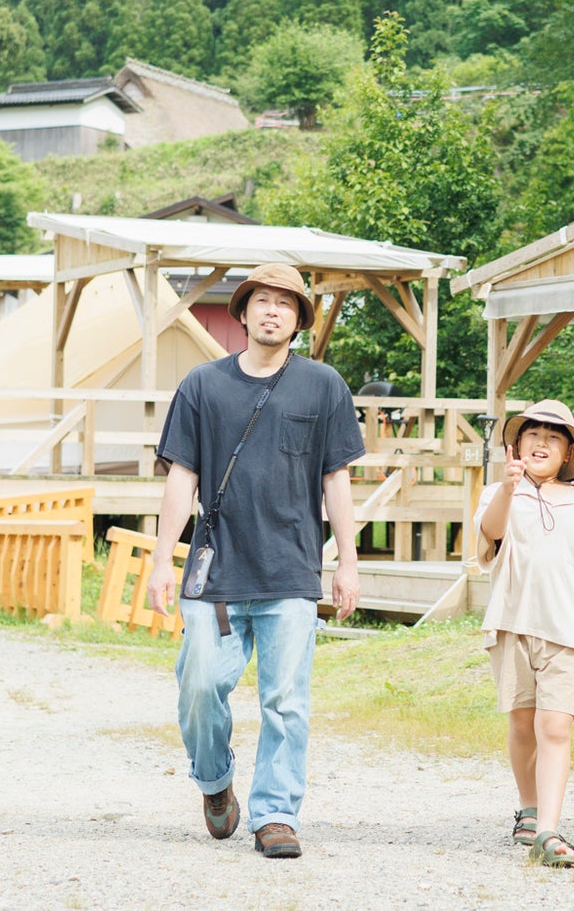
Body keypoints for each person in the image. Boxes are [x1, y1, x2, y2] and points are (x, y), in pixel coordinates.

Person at [144, 262, 364, 860]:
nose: (272, 311)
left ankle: (275, 814)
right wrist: (163, 559)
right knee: (198, 686)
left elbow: (336, 478)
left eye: (285, 304)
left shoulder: (323, 386)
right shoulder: (202, 385)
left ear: (299, 320)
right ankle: (215, 783)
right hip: (214, 574)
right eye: (261, 301)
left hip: (290, 571)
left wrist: (346, 560)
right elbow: (181, 477)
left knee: (286, 700)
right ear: (242, 313)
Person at [474, 400, 574, 869]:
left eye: (554, 437)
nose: (541, 441)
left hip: (570, 628)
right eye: (533, 434)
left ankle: (548, 831)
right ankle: (529, 806)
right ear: (517, 445)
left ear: (568, 454)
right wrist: (507, 487)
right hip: (513, 622)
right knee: (522, 724)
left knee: (554, 726)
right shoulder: (498, 492)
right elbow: (490, 537)